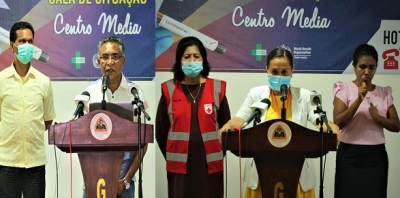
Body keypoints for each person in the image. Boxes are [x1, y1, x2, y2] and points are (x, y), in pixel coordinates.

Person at [219, 46, 339, 198]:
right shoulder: (256, 94)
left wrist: (331, 127)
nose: (279, 76)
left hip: (297, 172)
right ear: (267, 70)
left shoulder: (304, 96)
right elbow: (240, 119)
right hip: (262, 172)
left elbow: (319, 121)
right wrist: (228, 127)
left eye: (284, 72)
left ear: (292, 71)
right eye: (274, 72)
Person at [155, 36, 231, 198]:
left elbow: (226, 130)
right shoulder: (169, 89)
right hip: (180, 168)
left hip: (210, 166)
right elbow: (161, 132)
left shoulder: (217, 88)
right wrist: (175, 153)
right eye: (187, 57)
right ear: (179, 61)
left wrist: (214, 152)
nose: (192, 61)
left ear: (203, 59)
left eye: (196, 56)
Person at [81, 36, 150, 198]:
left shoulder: (136, 93)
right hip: (93, 179)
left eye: (115, 56)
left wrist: (125, 181)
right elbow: (81, 137)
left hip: (124, 181)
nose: (109, 62)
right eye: (104, 57)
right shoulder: (89, 93)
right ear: (98, 61)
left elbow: (144, 142)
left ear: (123, 60)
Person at [332, 44, 400, 198]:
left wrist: (378, 118)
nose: (367, 72)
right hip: (349, 156)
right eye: (362, 67)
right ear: (354, 66)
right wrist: (357, 101)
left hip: (376, 158)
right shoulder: (344, 89)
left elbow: (396, 125)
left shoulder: (384, 92)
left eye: (372, 67)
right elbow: (338, 122)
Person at [0, 21, 56, 197]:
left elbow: (47, 119)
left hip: (35, 163)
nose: (27, 46)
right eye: (22, 41)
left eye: (30, 41)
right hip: (7, 162)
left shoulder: (43, 81)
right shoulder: (1, 80)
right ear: (12, 46)